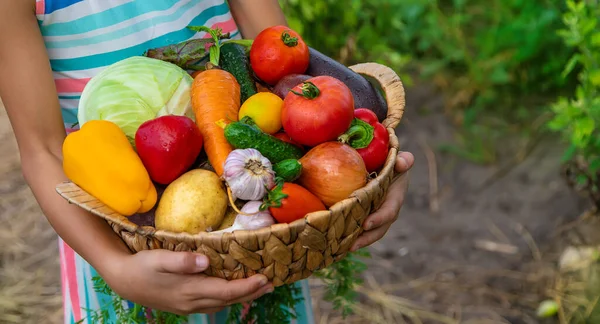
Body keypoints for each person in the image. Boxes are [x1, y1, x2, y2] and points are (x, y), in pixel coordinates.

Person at [0, 0, 415, 323]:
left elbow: (288, 65)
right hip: (119, 240)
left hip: (257, 230)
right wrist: (116, 268)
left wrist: (373, 163)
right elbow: (43, 150)